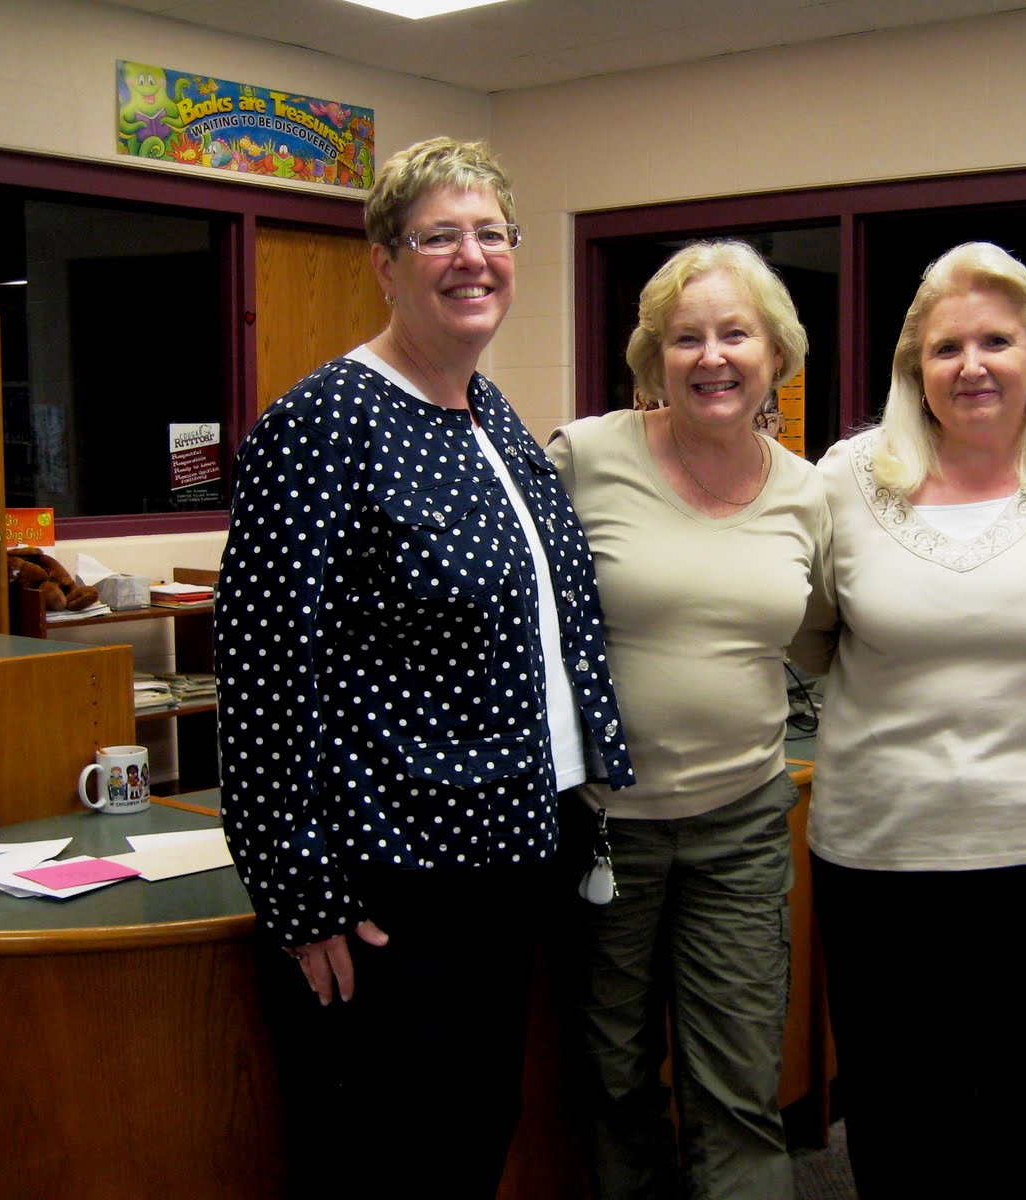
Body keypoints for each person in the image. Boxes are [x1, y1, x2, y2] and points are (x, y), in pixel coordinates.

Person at [216, 136, 633, 1194]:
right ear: (385, 263)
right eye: (438, 237)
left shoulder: (490, 415)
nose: (471, 257)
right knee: (396, 1157)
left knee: (475, 1130)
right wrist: (298, 892)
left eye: (491, 234)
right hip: (391, 873)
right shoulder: (322, 426)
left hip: (507, 853)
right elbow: (264, 676)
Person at [790, 242, 1026, 1198]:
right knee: (905, 1123)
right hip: (887, 857)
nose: (972, 366)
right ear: (914, 366)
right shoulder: (847, 477)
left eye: (997, 342)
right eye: (946, 347)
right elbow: (813, 633)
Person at [546, 240, 830, 1200]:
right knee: (612, 1077)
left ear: (776, 355)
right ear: (653, 359)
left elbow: (827, 635)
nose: (712, 357)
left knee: (738, 1084)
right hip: (604, 830)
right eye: (686, 338)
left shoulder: (808, 492)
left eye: (735, 335)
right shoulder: (584, 457)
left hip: (740, 827)